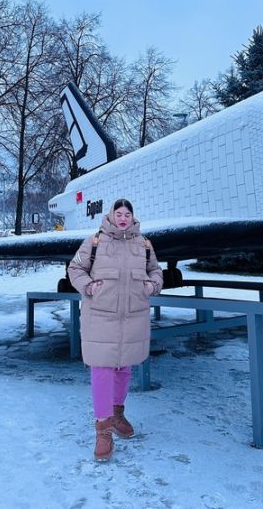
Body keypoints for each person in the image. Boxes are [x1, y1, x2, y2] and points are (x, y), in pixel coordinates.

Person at [68, 198, 163, 462]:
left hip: (133, 316)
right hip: (101, 316)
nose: (123, 218)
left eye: (127, 214)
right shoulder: (95, 241)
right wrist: (88, 286)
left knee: (124, 367)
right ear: (111, 216)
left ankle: (118, 413)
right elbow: (75, 268)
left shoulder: (143, 244)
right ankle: (103, 430)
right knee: (102, 369)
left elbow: (156, 271)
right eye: (118, 213)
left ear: (132, 217)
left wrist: (151, 286)